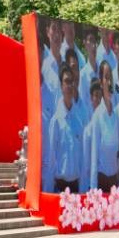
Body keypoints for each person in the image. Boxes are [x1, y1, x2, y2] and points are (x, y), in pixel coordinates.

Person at [42, 65, 83, 194]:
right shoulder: (56, 121)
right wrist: (48, 192)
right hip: (60, 188)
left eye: (72, 81)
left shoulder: (78, 121)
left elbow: (82, 158)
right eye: (66, 81)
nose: (70, 85)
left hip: (76, 188)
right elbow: (50, 159)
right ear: (61, 86)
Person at [87, 65, 119, 191]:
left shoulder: (117, 115)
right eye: (106, 78)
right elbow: (94, 159)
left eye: (111, 78)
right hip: (101, 183)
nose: (109, 82)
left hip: (115, 183)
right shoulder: (97, 116)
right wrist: (93, 192)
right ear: (101, 83)